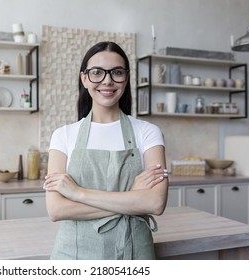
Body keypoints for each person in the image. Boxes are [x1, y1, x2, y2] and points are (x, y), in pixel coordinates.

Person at [43, 41, 168, 260]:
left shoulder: (148, 133)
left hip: (134, 253)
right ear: (84, 78)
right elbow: (56, 210)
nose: (107, 80)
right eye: (97, 72)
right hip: (73, 256)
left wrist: (78, 194)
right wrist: (132, 199)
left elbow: (155, 203)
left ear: (126, 78)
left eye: (117, 72)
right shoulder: (63, 135)